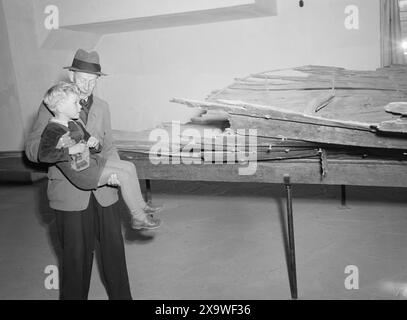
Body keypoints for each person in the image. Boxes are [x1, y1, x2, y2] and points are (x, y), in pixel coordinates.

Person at [25, 49, 150, 300]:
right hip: (70, 195)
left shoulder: (102, 107)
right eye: (82, 79)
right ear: (72, 76)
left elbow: (110, 146)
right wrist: (62, 148)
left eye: (93, 80)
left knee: (115, 257)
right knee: (75, 262)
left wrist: (115, 174)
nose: (87, 85)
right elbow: (31, 150)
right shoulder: (54, 105)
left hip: (104, 192)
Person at [38, 81, 161, 230]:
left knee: (129, 167)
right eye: (75, 103)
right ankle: (138, 218)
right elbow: (44, 155)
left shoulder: (74, 123)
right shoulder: (52, 130)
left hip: (92, 162)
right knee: (123, 176)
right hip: (82, 173)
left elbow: (92, 144)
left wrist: (93, 143)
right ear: (60, 106)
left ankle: (141, 205)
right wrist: (71, 150)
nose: (80, 106)